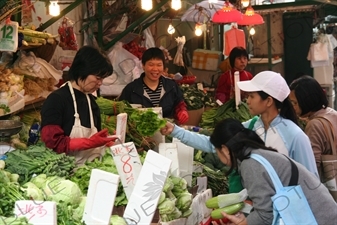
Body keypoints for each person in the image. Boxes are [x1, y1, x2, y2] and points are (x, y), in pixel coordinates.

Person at [160, 71, 318, 192]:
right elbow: (211, 144)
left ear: (269, 101)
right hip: (257, 209)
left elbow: (311, 182)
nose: (247, 100)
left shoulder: (295, 136)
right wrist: (175, 130)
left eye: (252, 96)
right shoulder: (252, 126)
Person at [208, 118, 337, 225]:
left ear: (224, 149)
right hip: (321, 212)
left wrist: (244, 223)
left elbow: (265, 215)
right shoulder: (257, 154)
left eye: (217, 150)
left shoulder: (250, 165)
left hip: (318, 218)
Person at [40, 45, 117, 166]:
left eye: (102, 79)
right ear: (82, 70)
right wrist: (89, 143)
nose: (100, 83)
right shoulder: (56, 100)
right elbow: (52, 142)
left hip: (91, 168)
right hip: (64, 172)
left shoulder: (91, 101)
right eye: (97, 78)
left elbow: (96, 137)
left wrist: (108, 142)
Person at [118, 47, 189, 125]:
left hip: (167, 131)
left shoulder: (171, 86)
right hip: (140, 134)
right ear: (143, 65)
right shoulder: (131, 89)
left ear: (163, 66)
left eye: (159, 65)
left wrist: (182, 111)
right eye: (151, 65)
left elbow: (179, 103)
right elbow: (121, 111)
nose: (155, 69)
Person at [289, 75, 337, 174]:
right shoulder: (331, 113)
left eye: (295, 103)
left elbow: (312, 164)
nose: (292, 107)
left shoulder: (314, 125)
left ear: (306, 101)